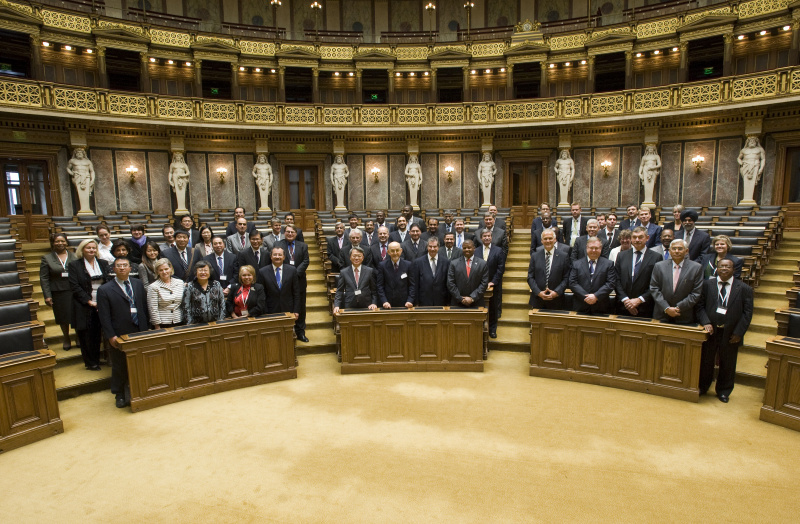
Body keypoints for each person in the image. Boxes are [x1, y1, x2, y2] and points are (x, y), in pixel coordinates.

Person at [695, 259, 754, 402]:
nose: (724, 268)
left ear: (733, 269)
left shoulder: (744, 288)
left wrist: (739, 333)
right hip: (711, 331)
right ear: (717, 268)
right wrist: (706, 322)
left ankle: (724, 391)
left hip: (731, 333)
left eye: (728, 266)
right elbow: (699, 306)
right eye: (721, 266)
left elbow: (747, 313)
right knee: (706, 361)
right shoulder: (707, 285)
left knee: (728, 362)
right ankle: (703, 387)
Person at [97, 257, 149, 408]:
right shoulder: (104, 289)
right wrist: (110, 335)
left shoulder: (138, 284)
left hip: (139, 329)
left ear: (130, 268)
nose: (122, 268)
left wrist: (147, 328)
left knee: (140, 362)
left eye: (125, 265)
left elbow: (144, 307)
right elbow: (104, 316)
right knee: (119, 365)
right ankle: (119, 394)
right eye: (118, 266)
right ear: (113, 269)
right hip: (119, 333)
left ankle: (140, 390)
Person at [69, 239, 109, 370]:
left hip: (101, 303)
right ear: (82, 250)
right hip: (84, 304)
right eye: (88, 248)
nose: (91, 250)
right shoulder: (75, 265)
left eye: (93, 248)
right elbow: (75, 286)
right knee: (86, 334)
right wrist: (89, 301)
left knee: (98, 333)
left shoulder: (102, 263)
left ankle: (97, 358)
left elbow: (108, 282)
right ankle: (90, 362)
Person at [650, 239, 703, 324]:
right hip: (661, 313)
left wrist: (678, 308)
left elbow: (696, 293)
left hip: (683, 314)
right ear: (670, 251)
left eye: (680, 248)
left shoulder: (696, 268)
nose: (677, 251)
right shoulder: (659, 266)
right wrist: (666, 308)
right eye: (674, 249)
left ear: (686, 251)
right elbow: (654, 288)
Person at [40, 232, 77, 350]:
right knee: (63, 316)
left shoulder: (74, 256)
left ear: (66, 242)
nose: (60, 243)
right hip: (58, 291)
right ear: (53, 243)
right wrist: (47, 295)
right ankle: (66, 337)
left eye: (62, 241)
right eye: (57, 241)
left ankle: (78, 336)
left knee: (77, 314)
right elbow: (44, 278)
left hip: (75, 289)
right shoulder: (47, 258)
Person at [614, 227, 662, 318]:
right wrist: (626, 300)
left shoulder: (656, 257)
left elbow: (656, 283)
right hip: (623, 306)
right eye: (634, 237)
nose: (637, 240)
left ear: (647, 238)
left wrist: (639, 300)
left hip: (645, 307)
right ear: (631, 238)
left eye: (640, 237)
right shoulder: (621, 256)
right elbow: (616, 279)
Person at [277, 225, 310, 341]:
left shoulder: (303, 246)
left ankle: (300, 332)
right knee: (286, 305)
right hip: (283, 281)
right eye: (287, 232)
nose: (290, 234)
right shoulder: (278, 245)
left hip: (299, 281)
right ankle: (286, 332)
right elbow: (277, 261)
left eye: (292, 232)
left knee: (300, 307)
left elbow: (306, 261)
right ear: (284, 233)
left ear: (296, 234)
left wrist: (294, 273)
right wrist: (288, 273)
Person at [569, 238, 617, 314]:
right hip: (580, 305)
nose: (594, 250)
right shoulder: (576, 264)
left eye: (596, 248)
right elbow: (572, 283)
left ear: (601, 249)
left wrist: (596, 296)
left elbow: (610, 283)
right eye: (591, 248)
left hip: (601, 306)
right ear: (586, 248)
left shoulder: (609, 264)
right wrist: (587, 297)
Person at [527, 229, 571, 311]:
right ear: (541, 241)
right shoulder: (535, 256)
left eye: (550, 238)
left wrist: (556, 292)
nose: (548, 241)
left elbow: (566, 278)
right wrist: (539, 293)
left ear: (555, 240)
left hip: (557, 300)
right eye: (545, 239)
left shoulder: (564, 256)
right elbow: (530, 277)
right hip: (537, 299)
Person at [475, 230, 506, 338]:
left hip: (493, 285)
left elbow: (501, 268)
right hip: (479, 286)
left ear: (491, 238)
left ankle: (492, 329)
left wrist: (493, 282)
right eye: (484, 236)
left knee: (493, 308)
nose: (487, 238)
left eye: (488, 236)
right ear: (481, 238)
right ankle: (480, 329)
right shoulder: (476, 251)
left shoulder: (498, 250)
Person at [333, 247, 378, 313]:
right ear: (350, 257)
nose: (356, 258)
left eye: (359, 256)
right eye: (354, 256)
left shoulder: (369, 271)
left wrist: (374, 303)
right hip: (350, 304)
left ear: (362, 258)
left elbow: (374, 290)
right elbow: (339, 291)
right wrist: (336, 305)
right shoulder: (344, 272)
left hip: (367, 305)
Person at [446, 240, 489, 308]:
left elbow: (484, 283)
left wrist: (472, 298)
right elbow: (450, 283)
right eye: (464, 248)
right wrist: (460, 298)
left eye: (469, 247)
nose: (467, 250)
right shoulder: (454, 263)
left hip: (476, 302)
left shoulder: (482, 264)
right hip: (457, 303)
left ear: (474, 248)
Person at [410, 237, 450, 307]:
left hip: (441, 301)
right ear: (427, 247)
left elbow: (447, 283)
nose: (432, 249)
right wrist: (416, 302)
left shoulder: (446, 262)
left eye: (434, 247)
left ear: (438, 247)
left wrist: (448, 301)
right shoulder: (418, 262)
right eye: (430, 246)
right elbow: (415, 284)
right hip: (424, 301)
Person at [146, 258, 185, 329]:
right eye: (161, 270)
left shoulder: (180, 283)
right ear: (157, 272)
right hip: (163, 323)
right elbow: (153, 308)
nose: (164, 272)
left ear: (171, 269)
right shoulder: (153, 287)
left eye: (166, 269)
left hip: (180, 320)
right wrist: (157, 326)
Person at [377, 241, 413, 309]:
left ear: (401, 251)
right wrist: (384, 301)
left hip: (405, 303)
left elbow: (412, 285)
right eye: (392, 251)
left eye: (397, 250)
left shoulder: (408, 265)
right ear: (388, 252)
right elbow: (380, 286)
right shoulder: (382, 265)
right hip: (388, 304)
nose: (395, 253)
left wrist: (410, 300)